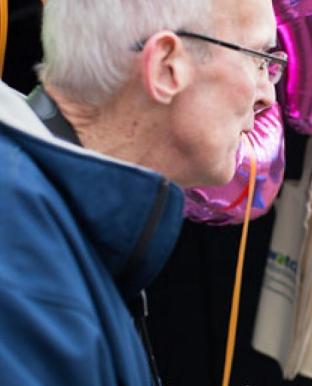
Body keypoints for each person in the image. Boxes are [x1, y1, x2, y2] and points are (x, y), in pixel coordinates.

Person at [0, 0, 284, 384]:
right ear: (166, 66)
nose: (268, 95)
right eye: (257, 58)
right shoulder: (24, 268)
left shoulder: (54, 222)